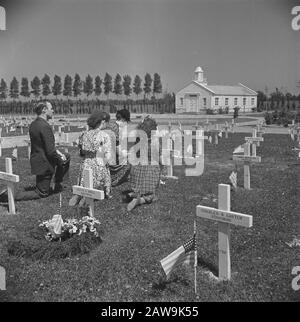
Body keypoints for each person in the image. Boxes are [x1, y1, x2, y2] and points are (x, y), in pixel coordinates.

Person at [0, 101, 70, 201]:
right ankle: (7, 195)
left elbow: (43, 146)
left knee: (66, 156)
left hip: (38, 160)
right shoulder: (45, 126)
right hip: (45, 163)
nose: (53, 110)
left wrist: (60, 155)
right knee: (42, 193)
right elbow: (50, 152)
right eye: (51, 108)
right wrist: (60, 160)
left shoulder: (34, 124)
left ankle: (58, 183)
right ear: (44, 110)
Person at [69, 110, 112, 206]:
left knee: (85, 180)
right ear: (103, 122)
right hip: (99, 161)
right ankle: (105, 193)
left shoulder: (83, 134)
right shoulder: (104, 135)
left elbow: (80, 151)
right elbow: (107, 153)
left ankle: (79, 195)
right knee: (102, 178)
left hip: (87, 162)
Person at [124, 116, 164, 212]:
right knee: (152, 196)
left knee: (139, 186)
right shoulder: (155, 143)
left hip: (137, 169)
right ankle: (139, 200)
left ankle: (133, 194)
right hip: (151, 170)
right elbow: (160, 159)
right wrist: (162, 167)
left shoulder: (138, 140)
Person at [108, 108, 131, 187]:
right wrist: (127, 154)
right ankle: (115, 180)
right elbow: (118, 150)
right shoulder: (116, 128)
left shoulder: (110, 124)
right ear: (124, 119)